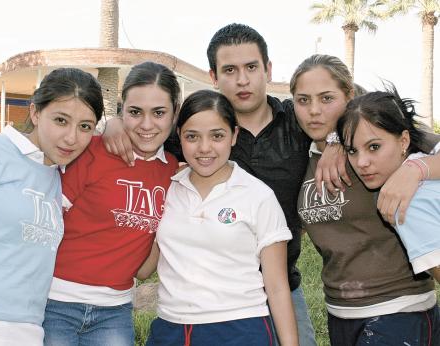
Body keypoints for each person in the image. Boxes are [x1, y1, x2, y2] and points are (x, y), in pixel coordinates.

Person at [104, 23, 318, 345]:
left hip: (273, 289)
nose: (242, 79)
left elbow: (346, 119)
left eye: (251, 67)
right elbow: (148, 126)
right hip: (181, 317)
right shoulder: (185, 146)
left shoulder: (298, 123)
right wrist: (114, 122)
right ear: (214, 77)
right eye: (230, 70)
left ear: (268, 70)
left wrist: (335, 142)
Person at [292, 54, 440, 345]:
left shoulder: (378, 140)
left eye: (326, 98)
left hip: (399, 311)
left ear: (349, 95)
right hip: (341, 315)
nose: (314, 111)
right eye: (303, 100)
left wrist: (415, 168)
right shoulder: (300, 152)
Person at [139, 89, 298, 346]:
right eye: (192, 136)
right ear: (179, 136)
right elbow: (144, 268)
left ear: (234, 136)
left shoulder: (258, 196)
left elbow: (277, 287)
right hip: (171, 329)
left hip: (240, 329)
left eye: (217, 136)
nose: (204, 148)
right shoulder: (167, 189)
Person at [42, 62, 180, 346]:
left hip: (114, 311)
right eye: (134, 112)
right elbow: (43, 222)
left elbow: (145, 267)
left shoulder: (174, 172)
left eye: (159, 113)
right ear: (121, 110)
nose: (146, 124)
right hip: (55, 302)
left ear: (175, 113)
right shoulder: (90, 151)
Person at [0, 67, 104, 346]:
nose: (71, 138)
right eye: (60, 120)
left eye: (85, 127)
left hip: (28, 330)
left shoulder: (57, 178)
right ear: (35, 113)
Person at [337, 86, 440, 283]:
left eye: (374, 147)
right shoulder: (427, 165)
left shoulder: (406, 199)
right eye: (352, 151)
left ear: (403, 141)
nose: (362, 163)